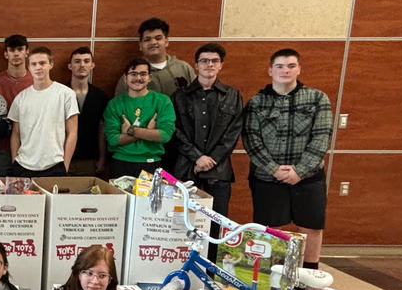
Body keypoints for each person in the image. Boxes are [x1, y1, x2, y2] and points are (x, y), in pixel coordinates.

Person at [243, 49, 333, 270]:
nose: (285, 70)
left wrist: (299, 171)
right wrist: (274, 169)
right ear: (270, 70)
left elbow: (322, 138)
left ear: (299, 69)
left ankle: (307, 279)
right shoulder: (257, 102)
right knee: (270, 228)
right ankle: (271, 278)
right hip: (267, 177)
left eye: (291, 66)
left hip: (309, 177)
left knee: (310, 227)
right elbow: (250, 139)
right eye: (280, 66)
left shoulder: (317, 98)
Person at [172, 43, 243, 260]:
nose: (209, 65)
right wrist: (196, 157)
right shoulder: (180, 96)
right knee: (181, 222)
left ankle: (210, 269)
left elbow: (234, 131)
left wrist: (210, 159)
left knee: (216, 226)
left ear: (221, 65)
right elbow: (175, 131)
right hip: (187, 169)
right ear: (196, 65)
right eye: (204, 60)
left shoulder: (232, 95)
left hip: (218, 171)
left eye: (214, 61)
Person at [8, 46, 79, 177]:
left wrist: (65, 165)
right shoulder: (21, 97)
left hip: (55, 165)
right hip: (23, 165)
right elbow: (16, 133)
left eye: (42, 63)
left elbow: (72, 133)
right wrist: (14, 161)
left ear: (51, 64)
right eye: (34, 64)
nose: (38, 67)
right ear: (29, 67)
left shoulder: (66, 94)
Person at [104, 58, 176, 178]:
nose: (138, 78)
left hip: (151, 163)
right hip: (120, 163)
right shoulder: (114, 104)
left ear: (150, 78)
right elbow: (113, 139)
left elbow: (165, 135)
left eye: (143, 74)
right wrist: (148, 131)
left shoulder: (162, 101)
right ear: (125, 78)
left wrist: (131, 130)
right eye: (133, 74)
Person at [113, 17, 196, 97]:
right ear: (140, 45)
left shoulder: (184, 68)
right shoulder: (132, 74)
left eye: (158, 38)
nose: (153, 42)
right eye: (147, 39)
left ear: (166, 41)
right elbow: (119, 106)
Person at [0, 33, 33, 176]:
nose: (16, 54)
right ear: (6, 54)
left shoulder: (36, 80)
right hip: (3, 147)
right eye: (12, 50)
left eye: (20, 49)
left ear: (27, 52)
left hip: (31, 146)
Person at [66, 46, 108, 177]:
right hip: (62, 158)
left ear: (92, 65)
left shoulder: (100, 96)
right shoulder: (59, 94)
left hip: (90, 160)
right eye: (77, 61)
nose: (82, 65)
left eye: (86, 61)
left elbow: (102, 130)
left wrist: (102, 158)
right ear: (70, 66)